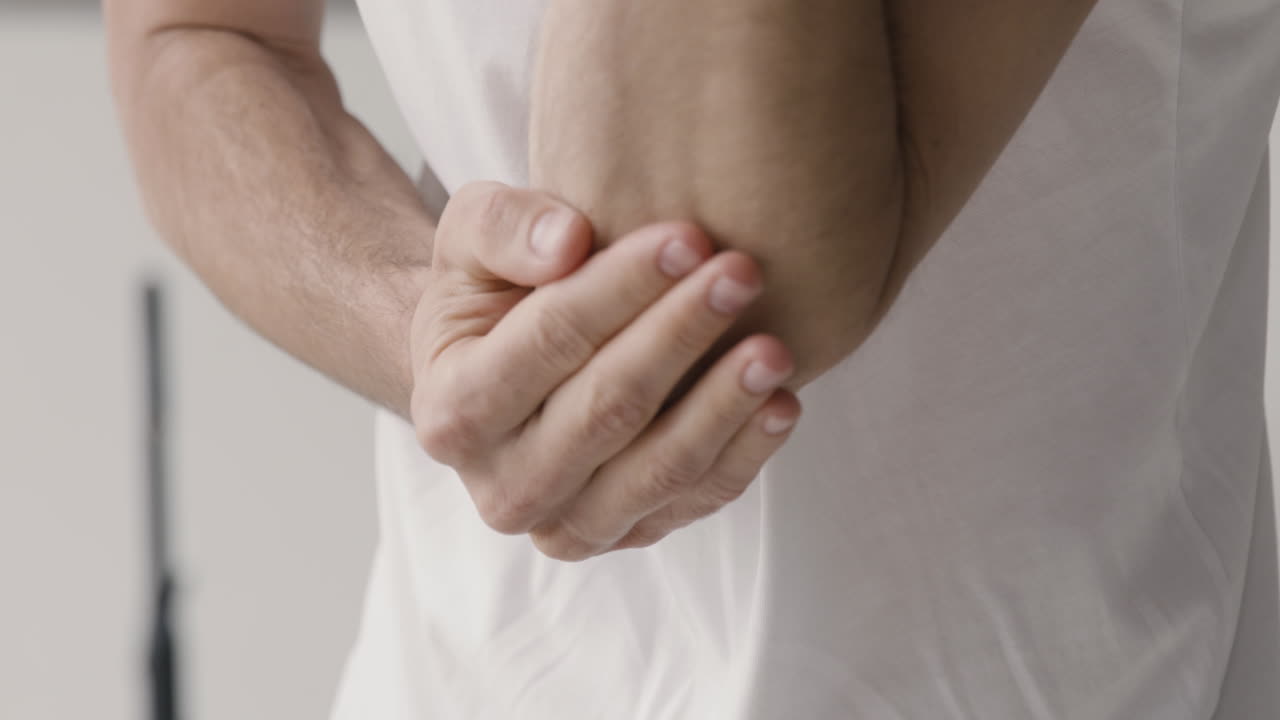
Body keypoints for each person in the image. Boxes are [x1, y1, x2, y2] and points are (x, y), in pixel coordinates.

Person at [104, 0, 1280, 717]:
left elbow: (716, 258)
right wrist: (434, 332)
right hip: (468, 680)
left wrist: (534, 365)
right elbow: (194, 35)